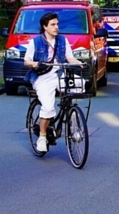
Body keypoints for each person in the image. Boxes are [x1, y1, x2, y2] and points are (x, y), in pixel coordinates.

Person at [24, 11, 81, 155]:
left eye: (57, 24)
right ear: (45, 26)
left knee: (80, 84)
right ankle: (42, 137)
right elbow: (26, 61)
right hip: (42, 77)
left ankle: (71, 115)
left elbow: (69, 57)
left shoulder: (63, 40)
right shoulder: (35, 42)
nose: (56, 27)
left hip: (59, 73)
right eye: (53, 25)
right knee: (48, 108)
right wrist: (35, 64)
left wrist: (79, 63)